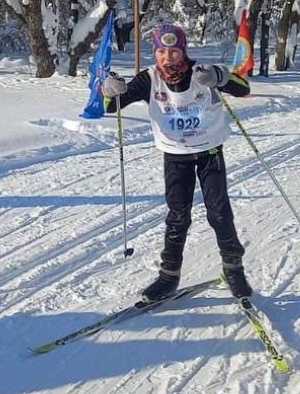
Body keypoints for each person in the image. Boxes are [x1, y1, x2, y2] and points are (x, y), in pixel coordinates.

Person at [100, 23, 254, 302]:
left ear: (183, 51)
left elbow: (243, 89)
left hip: (209, 152)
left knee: (219, 213)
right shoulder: (149, 79)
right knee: (177, 216)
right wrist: (111, 88)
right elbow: (111, 105)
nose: (167, 58)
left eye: (173, 52)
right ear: (154, 53)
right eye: (161, 52)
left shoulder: (201, 73)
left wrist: (220, 77)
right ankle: (168, 276)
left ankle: (234, 269)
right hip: (175, 155)